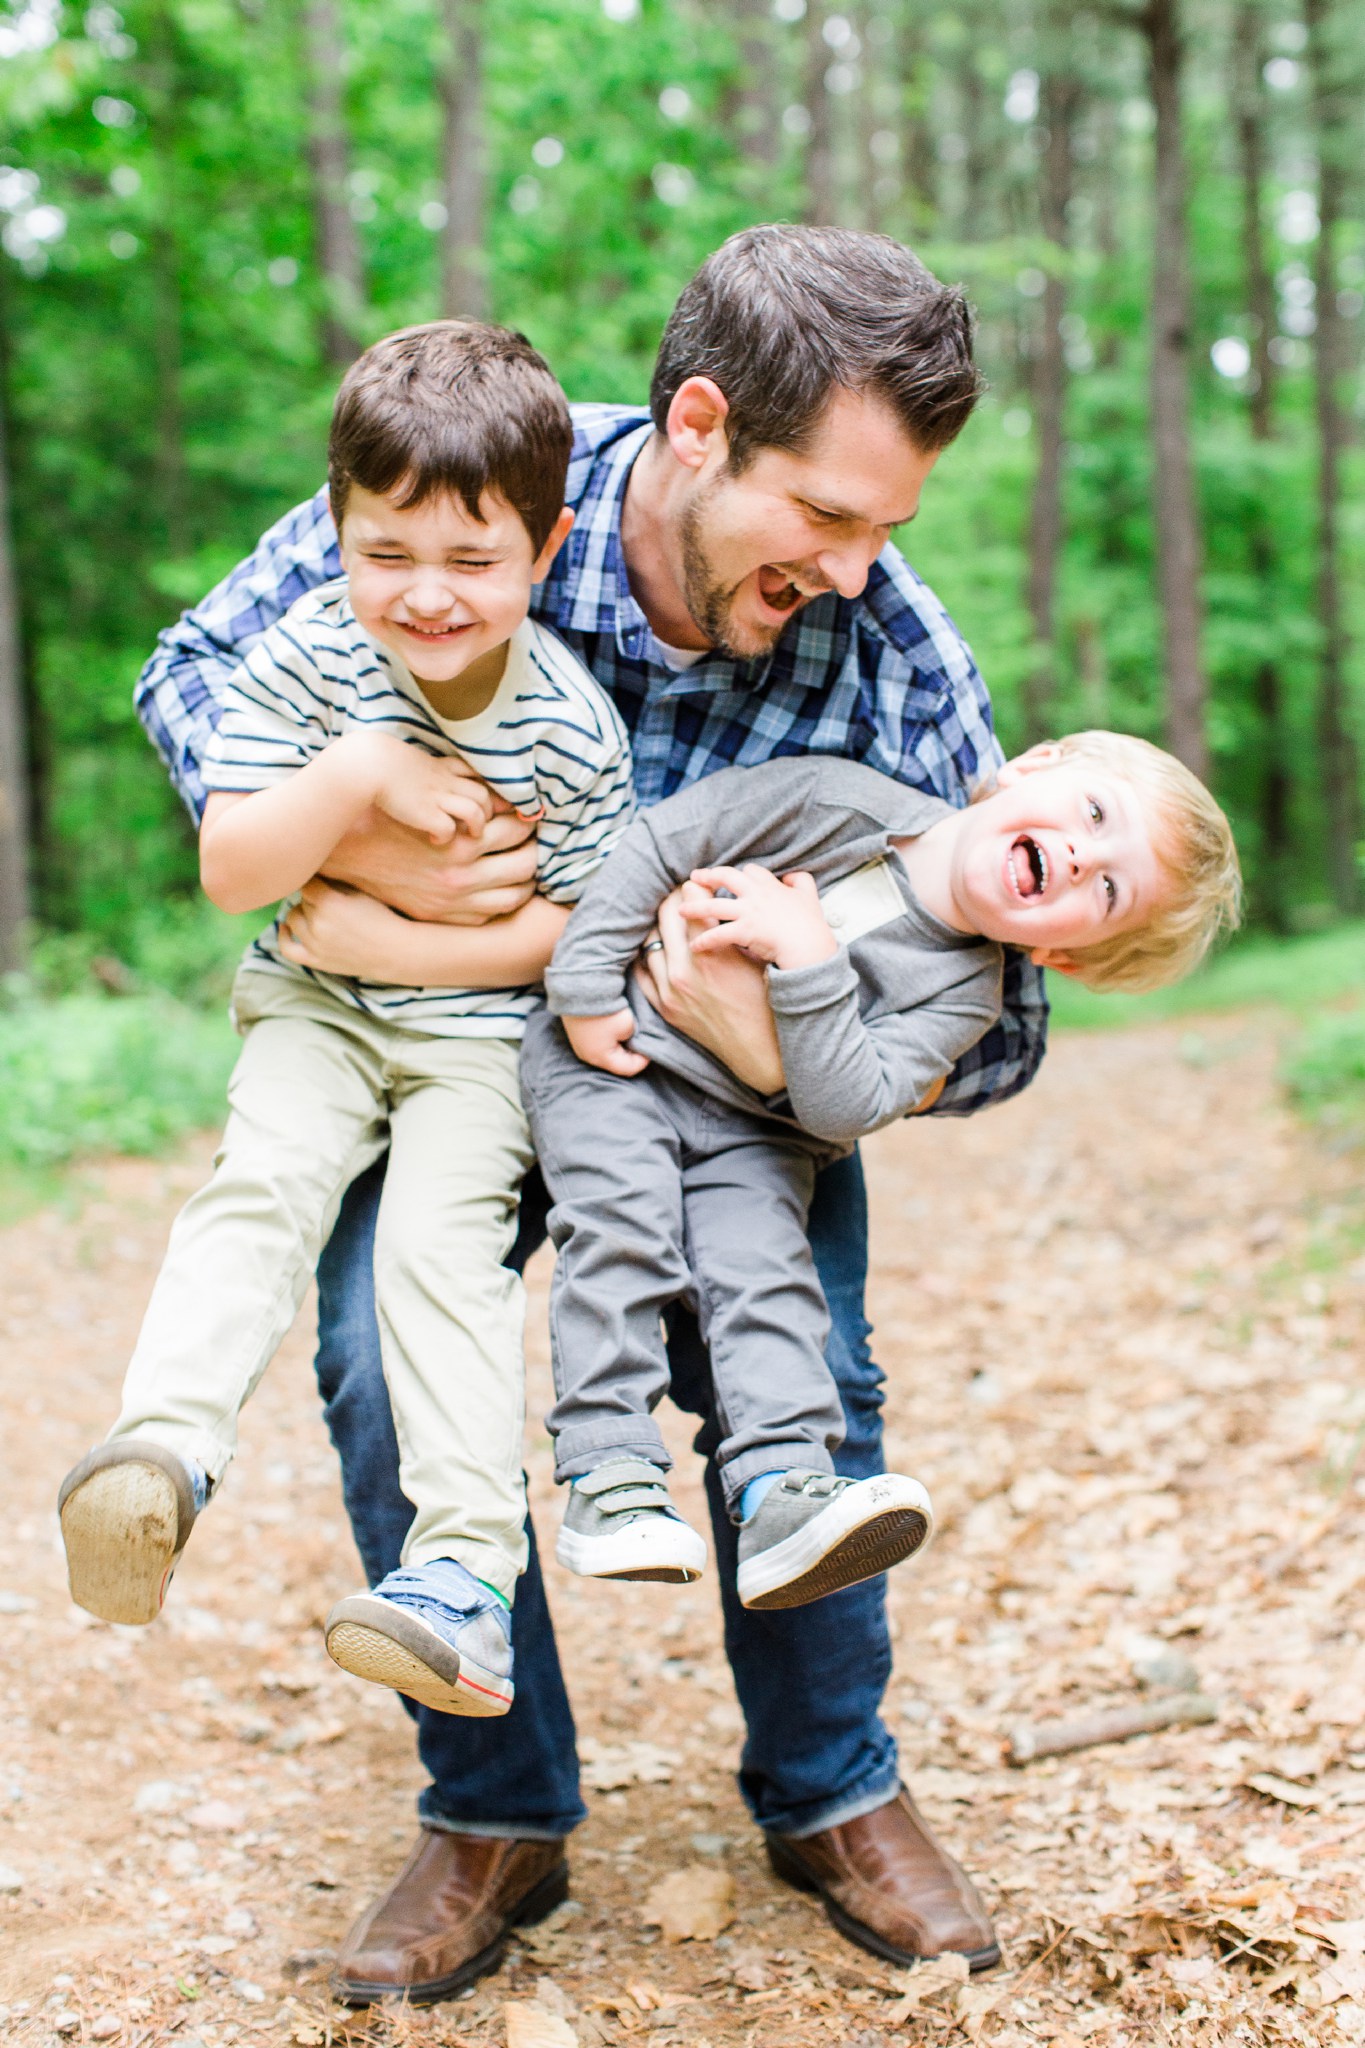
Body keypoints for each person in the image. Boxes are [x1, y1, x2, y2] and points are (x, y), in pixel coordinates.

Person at [134, 225, 1051, 2002]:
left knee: (806, 1349)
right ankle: (495, 1805)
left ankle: (831, 1784)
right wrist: (370, 849)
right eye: (829, 520)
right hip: (445, 1045)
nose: (860, 574)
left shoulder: (896, 654)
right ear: (697, 425)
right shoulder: (489, 490)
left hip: (719, 1094)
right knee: (376, 1347)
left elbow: (1009, 1018)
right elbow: (189, 675)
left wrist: (793, 1049)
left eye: (890, 532)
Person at [58, 322, 634, 1724]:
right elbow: (233, 868)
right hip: (314, 1009)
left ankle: (459, 1574)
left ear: (543, 550)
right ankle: (164, 1453)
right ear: (335, 530)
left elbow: (588, 924)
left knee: (437, 1263)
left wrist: (433, 944)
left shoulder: (567, 724)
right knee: (257, 1187)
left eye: (469, 560)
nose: (425, 595)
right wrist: (361, 770)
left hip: (473, 1047)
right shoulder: (310, 657)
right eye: (388, 553)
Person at [527, 734, 1240, 1604]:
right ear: (1034, 766)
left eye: (1106, 891)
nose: (1081, 855)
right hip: (621, 1057)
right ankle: (609, 1473)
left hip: (753, 1135)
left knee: (769, 1287)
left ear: (1061, 958)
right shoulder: (836, 802)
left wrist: (810, 959)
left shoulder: (962, 998)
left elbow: (844, 1104)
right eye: (1094, 814)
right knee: (624, 1232)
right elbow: (664, 841)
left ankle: (781, 1495)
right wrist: (586, 985)